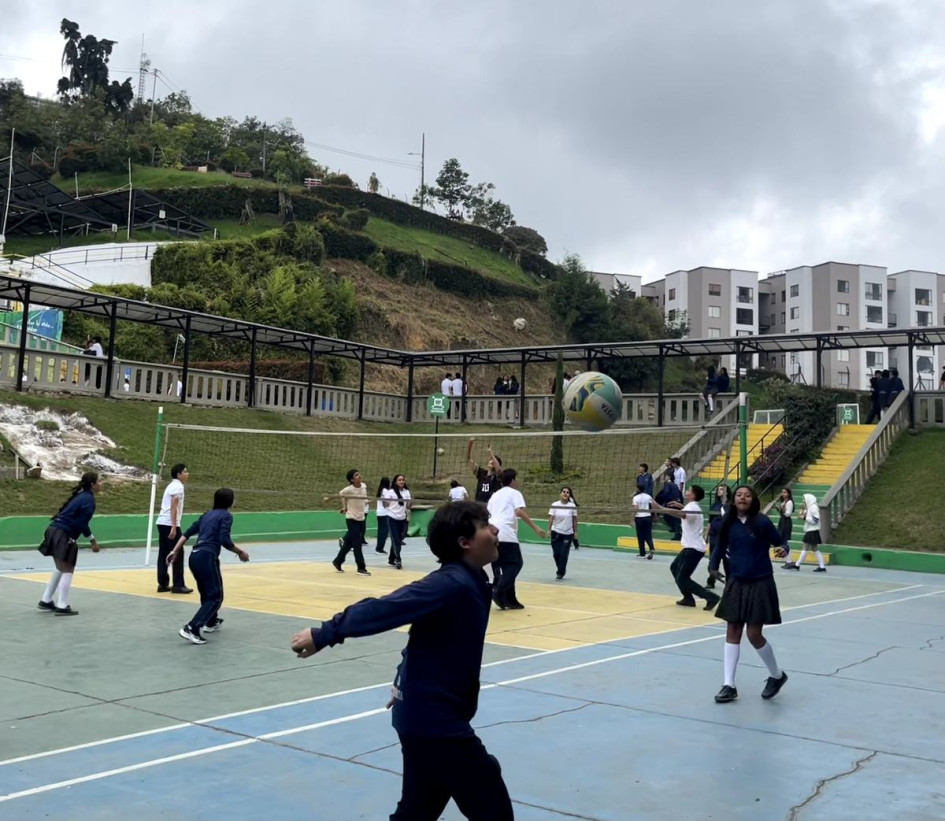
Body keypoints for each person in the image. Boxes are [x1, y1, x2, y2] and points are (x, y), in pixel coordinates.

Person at [290, 502, 513, 821]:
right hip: (435, 722)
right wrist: (326, 632)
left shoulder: (472, 580)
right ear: (464, 542)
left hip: (423, 714)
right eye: (485, 526)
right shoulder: (450, 584)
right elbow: (388, 608)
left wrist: (401, 680)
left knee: (418, 809)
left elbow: (422, 636)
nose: (494, 531)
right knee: (489, 799)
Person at [708, 485, 790, 703]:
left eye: (747, 495)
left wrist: (783, 549)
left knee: (754, 634)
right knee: (732, 629)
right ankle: (729, 685)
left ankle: (777, 676)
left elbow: (780, 542)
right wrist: (713, 566)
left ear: (753, 501)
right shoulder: (728, 523)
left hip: (760, 581)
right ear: (734, 500)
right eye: (738, 495)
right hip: (736, 580)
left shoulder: (762, 522)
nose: (742, 498)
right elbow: (718, 547)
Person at [168, 488, 249, 645]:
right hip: (207, 556)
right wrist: (240, 552)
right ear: (230, 502)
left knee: (207, 593)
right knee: (216, 596)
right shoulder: (226, 516)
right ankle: (192, 627)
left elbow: (187, 533)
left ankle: (211, 622)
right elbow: (224, 540)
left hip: (195, 556)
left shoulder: (206, 515)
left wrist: (174, 551)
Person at [37, 471, 101, 616]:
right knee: (67, 569)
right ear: (93, 484)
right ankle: (62, 605)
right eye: (99, 481)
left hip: (53, 530)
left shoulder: (80, 496)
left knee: (60, 567)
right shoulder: (88, 500)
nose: (101, 484)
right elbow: (81, 523)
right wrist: (92, 540)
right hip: (63, 534)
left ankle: (46, 599)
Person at [487, 468, 546, 610]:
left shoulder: (495, 495)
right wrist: (536, 528)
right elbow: (519, 511)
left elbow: (489, 511)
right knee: (515, 564)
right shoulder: (515, 493)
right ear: (513, 480)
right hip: (506, 533)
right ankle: (498, 590)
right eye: (516, 479)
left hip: (492, 532)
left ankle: (510, 599)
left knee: (504, 566)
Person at [656, 485, 720, 610]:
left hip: (693, 549)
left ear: (694, 495)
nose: (686, 491)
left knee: (683, 578)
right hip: (690, 547)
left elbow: (682, 515)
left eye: (689, 490)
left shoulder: (692, 507)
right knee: (674, 568)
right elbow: (685, 511)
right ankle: (688, 598)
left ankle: (711, 597)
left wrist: (661, 509)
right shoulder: (692, 506)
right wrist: (680, 506)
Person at [156, 463, 193, 594]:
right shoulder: (178, 487)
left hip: (161, 522)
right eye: (185, 471)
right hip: (169, 523)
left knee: (164, 553)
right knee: (178, 552)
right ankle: (178, 585)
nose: (187, 474)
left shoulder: (171, 485)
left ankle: (162, 583)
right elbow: (173, 506)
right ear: (179, 474)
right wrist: (173, 527)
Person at [332, 469, 371, 575]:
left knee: (349, 543)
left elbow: (363, 498)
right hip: (351, 518)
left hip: (361, 518)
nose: (359, 476)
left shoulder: (363, 486)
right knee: (357, 543)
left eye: (359, 474)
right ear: (352, 479)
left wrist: (366, 501)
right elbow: (341, 495)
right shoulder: (348, 490)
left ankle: (338, 561)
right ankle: (361, 568)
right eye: (356, 475)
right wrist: (344, 507)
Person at [784, 493, 827, 572]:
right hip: (812, 530)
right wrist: (804, 515)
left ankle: (797, 564)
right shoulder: (811, 507)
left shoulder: (814, 507)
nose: (803, 501)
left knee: (805, 547)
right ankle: (822, 566)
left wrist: (805, 517)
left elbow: (815, 520)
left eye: (804, 499)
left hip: (812, 530)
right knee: (814, 549)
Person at [547, 486, 578, 580]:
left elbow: (575, 519)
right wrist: (549, 530)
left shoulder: (572, 506)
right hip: (555, 532)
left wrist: (575, 531)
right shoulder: (555, 504)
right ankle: (560, 568)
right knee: (556, 554)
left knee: (563, 554)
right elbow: (551, 518)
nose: (565, 493)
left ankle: (560, 572)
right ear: (560, 494)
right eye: (563, 492)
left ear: (569, 495)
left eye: (567, 492)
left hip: (568, 533)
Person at [705, 485, 731, 590]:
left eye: (722, 489)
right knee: (712, 559)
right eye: (718, 489)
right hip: (714, 536)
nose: (719, 491)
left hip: (726, 537)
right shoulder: (715, 505)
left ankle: (730, 582)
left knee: (727, 560)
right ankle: (711, 580)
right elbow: (710, 521)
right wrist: (706, 535)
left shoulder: (730, 505)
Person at [384, 473, 412, 570]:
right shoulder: (390, 492)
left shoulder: (406, 492)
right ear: (395, 482)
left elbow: (408, 506)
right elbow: (385, 505)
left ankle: (391, 559)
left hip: (402, 519)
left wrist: (410, 503)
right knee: (396, 541)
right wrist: (385, 502)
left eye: (403, 480)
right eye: (399, 480)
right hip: (392, 519)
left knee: (398, 540)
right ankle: (398, 559)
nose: (401, 481)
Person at [467, 438, 502, 504]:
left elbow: (499, 469)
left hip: (491, 506)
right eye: (490, 459)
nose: (490, 461)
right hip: (479, 506)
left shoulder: (497, 477)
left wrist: (490, 453)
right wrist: (470, 443)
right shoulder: (482, 473)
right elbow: (469, 459)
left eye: (492, 460)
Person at [631, 479, 655, 559]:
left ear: (637, 489)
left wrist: (632, 519)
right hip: (648, 517)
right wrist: (654, 516)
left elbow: (636, 509)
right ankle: (651, 548)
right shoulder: (648, 496)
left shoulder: (636, 498)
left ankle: (642, 553)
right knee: (648, 534)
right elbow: (652, 507)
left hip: (639, 518)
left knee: (640, 536)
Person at [656, 472, 683, 540]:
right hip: (677, 502)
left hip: (671, 503)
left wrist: (661, 500)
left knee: (672, 518)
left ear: (668, 477)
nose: (664, 478)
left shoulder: (668, 485)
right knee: (668, 517)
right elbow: (680, 493)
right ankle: (674, 528)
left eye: (665, 477)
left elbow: (666, 493)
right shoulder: (675, 485)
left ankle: (678, 534)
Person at [776, 488, 795, 566]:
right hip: (782, 521)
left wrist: (783, 509)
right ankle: (788, 560)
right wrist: (779, 509)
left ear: (788, 494)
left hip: (786, 522)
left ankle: (789, 561)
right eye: (782, 492)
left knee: (784, 541)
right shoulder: (783, 502)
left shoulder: (789, 502)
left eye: (785, 492)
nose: (783, 494)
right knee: (783, 541)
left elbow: (788, 514)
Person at [375, 477, 391, 555]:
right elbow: (386, 503)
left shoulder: (380, 490)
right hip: (384, 514)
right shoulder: (385, 491)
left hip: (379, 513)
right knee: (384, 532)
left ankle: (379, 548)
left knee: (381, 531)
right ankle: (379, 549)